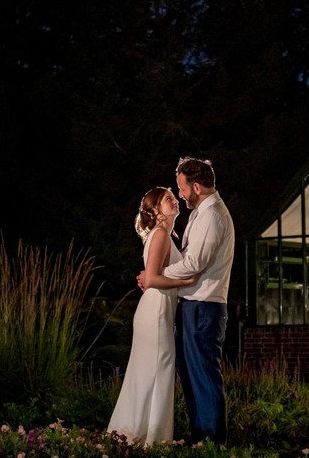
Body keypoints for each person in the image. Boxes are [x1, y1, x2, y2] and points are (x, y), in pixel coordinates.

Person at [107, 186, 197, 446]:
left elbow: (152, 276)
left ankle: (138, 436)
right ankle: (150, 440)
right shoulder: (159, 235)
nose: (174, 201)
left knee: (153, 373)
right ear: (156, 210)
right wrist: (190, 280)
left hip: (160, 311)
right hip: (155, 312)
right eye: (168, 199)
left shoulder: (165, 236)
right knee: (158, 372)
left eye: (173, 197)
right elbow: (154, 278)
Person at [156, 156, 235, 445]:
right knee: (190, 373)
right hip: (194, 305)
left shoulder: (213, 215)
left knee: (203, 372)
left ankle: (213, 440)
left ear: (197, 186)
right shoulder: (202, 213)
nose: (180, 194)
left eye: (182, 188)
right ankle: (199, 436)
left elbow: (195, 263)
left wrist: (157, 274)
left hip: (204, 306)